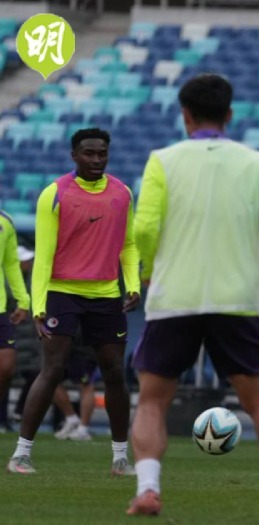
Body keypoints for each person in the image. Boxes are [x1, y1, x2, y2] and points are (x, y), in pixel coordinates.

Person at [127, 73, 259, 521]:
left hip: (176, 294)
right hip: (237, 298)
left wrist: (144, 270)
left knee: (151, 400)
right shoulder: (257, 164)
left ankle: (147, 489)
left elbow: (144, 228)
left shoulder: (162, 161)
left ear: (185, 115)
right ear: (229, 115)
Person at [7, 128, 140, 476]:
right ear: (74, 156)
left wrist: (132, 284)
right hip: (61, 292)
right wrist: (38, 306)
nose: (96, 159)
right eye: (89, 153)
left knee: (114, 372)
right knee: (52, 369)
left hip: (106, 294)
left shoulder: (122, 193)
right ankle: (21, 455)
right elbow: (43, 257)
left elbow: (128, 244)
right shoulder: (54, 194)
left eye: (102, 153)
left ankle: (120, 458)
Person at [0, 235, 31, 433]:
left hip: (2, 312)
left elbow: (11, 263)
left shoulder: (5, 223)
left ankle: (3, 417)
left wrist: (23, 301)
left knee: (7, 369)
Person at [52, 349, 99, 442]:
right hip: (63, 351)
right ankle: (71, 419)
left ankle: (83, 429)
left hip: (83, 350)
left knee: (86, 385)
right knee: (50, 381)